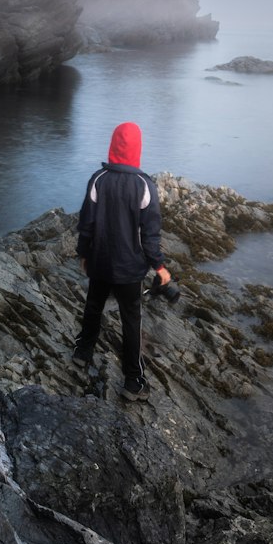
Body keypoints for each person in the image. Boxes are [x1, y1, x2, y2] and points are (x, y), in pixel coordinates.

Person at [73, 121, 171, 401]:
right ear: (137, 149)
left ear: (113, 146)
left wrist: (84, 254)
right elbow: (150, 235)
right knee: (131, 321)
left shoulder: (98, 179)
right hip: (129, 270)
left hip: (100, 263)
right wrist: (160, 267)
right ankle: (132, 381)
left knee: (93, 306)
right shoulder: (144, 185)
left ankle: (82, 352)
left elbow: (86, 224)